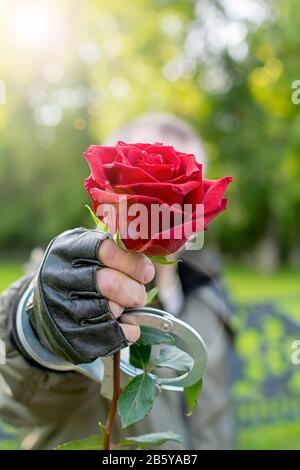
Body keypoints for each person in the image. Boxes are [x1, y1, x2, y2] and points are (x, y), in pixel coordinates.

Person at [0, 114, 233, 450]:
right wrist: (40, 328)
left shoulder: (207, 295)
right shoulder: (67, 285)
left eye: (190, 185)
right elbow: (16, 391)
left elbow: (215, 418)